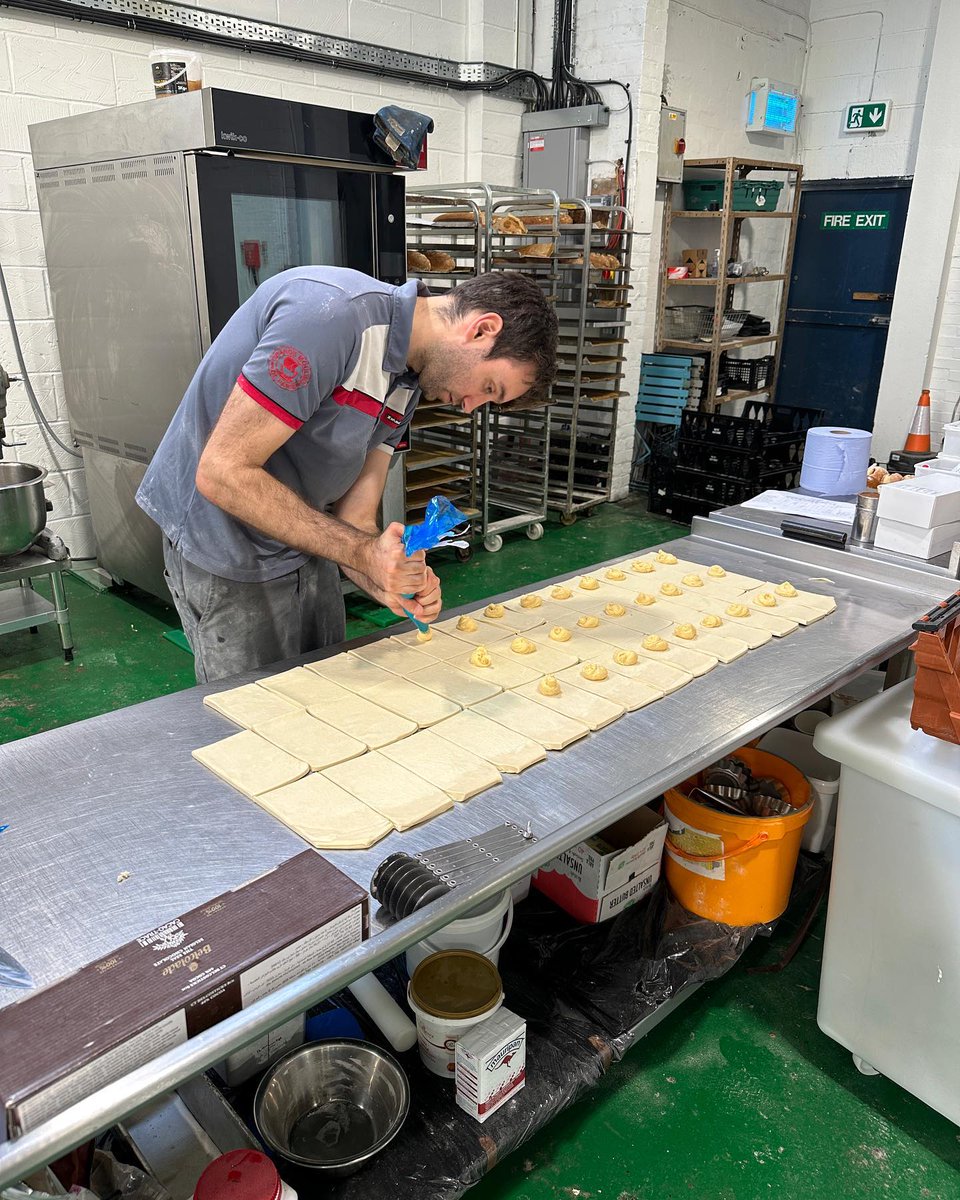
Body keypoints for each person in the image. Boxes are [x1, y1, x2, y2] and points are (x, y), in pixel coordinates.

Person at [137, 267, 558, 683]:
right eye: (489, 388)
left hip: (305, 536)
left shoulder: (407, 380)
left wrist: (386, 576)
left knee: (324, 693)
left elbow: (354, 520)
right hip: (226, 544)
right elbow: (221, 473)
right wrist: (361, 554)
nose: (469, 406)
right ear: (482, 329)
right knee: (257, 713)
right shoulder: (330, 318)